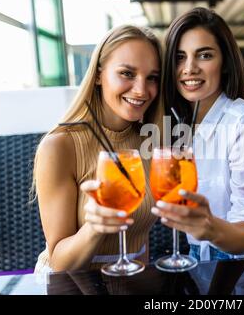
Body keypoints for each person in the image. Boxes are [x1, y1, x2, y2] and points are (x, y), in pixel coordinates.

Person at [152, 7, 244, 261]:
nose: (189, 68)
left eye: (204, 55)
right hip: (201, 255)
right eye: (180, 57)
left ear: (225, 63)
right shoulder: (178, 123)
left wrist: (207, 226)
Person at [33, 25, 162, 274]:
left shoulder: (149, 140)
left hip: (131, 281)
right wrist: (95, 227)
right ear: (99, 75)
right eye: (127, 73)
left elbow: (139, 236)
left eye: (152, 77)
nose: (141, 90)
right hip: (70, 286)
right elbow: (59, 262)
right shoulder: (59, 146)